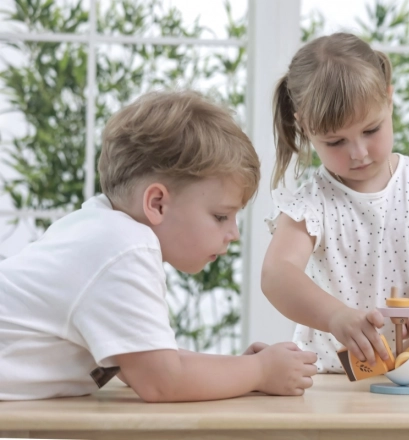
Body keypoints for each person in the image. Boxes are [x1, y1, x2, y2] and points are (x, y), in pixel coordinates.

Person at [0, 90, 317, 401]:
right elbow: (162, 381)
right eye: (221, 216)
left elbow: (141, 362)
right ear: (157, 203)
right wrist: (258, 371)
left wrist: (240, 368)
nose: (233, 233)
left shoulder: (96, 228)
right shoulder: (124, 247)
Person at [262, 33, 409, 373]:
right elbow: (277, 274)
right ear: (304, 125)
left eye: (371, 130)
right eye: (335, 141)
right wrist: (335, 316)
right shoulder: (312, 202)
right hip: (330, 376)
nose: (358, 153)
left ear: (389, 100)